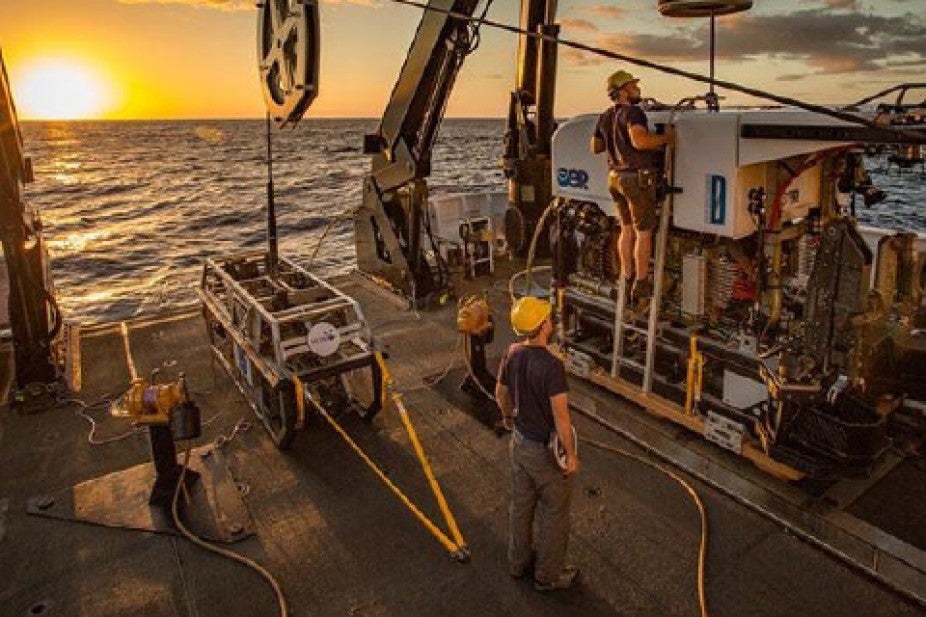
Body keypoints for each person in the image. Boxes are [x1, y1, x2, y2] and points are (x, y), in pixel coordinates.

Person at [496, 296, 579, 591]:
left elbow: (500, 392)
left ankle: (517, 563)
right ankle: (548, 576)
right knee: (555, 512)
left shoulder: (512, 353)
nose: (552, 322)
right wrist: (570, 455)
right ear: (543, 326)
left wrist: (508, 418)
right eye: (549, 319)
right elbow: (561, 417)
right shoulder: (552, 367)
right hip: (544, 451)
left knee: (521, 506)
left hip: (519, 444)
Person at [591, 70, 675, 308]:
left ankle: (626, 275)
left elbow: (595, 146)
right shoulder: (634, 112)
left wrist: (613, 140)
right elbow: (640, 141)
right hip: (636, 178)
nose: (638, 88)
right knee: (644, 232)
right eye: (633, 85)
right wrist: (666, 139)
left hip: (614, 177)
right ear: (622, 91)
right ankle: (641, 281)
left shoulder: (606, 116)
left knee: (625, 228)